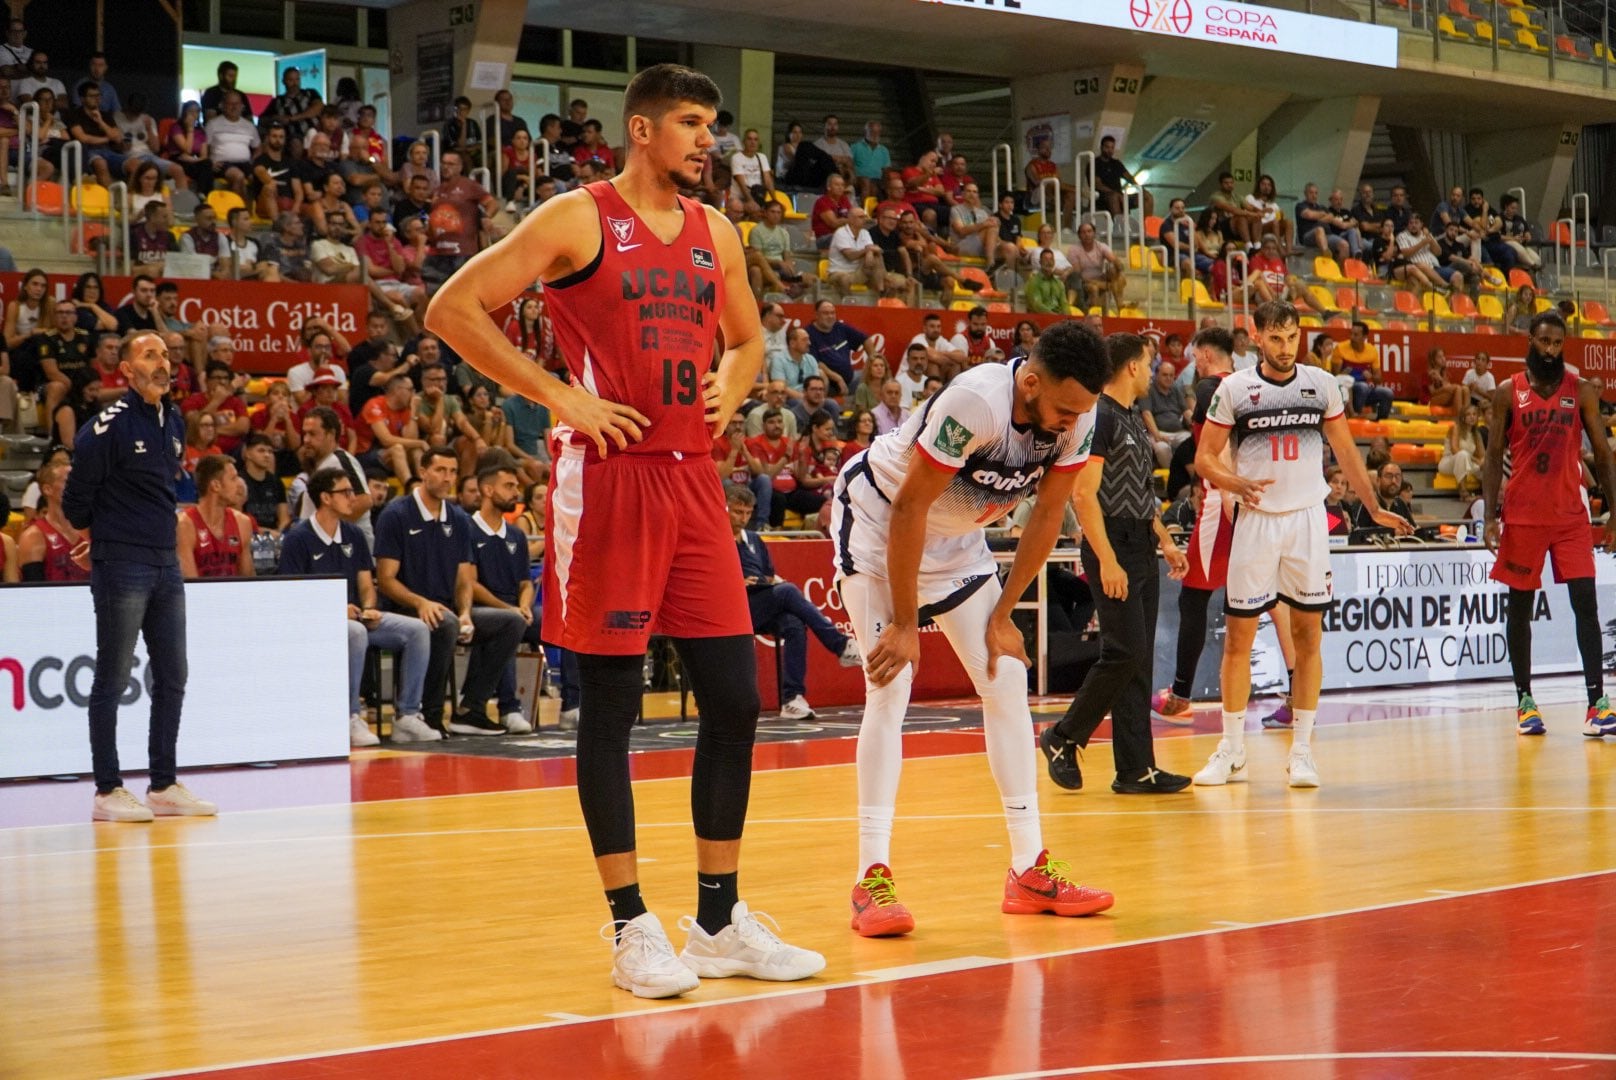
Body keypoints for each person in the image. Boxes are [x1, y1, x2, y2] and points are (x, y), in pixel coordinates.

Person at [423, 64, 824, 998]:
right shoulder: (578, 217)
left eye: (711, 124)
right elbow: (452, 309)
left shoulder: (717, 231)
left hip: (694, 483)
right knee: (612, 705)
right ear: (641, 131)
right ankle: (629, 926)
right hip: (607, 480)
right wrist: (560, 394)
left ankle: (719, 920)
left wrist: (739, 370)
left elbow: (749, 335)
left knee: (735, 700)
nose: (706, 140)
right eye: (690, 122)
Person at [832, 320, 1114, 938]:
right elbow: (909, 507)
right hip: (883, 522)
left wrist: (1005, 613)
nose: (1072, 423)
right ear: (1032, 382)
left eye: (1081, 412)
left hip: (957, 541)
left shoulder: (1078, 416)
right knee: (891, 683)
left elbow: (1046, 513)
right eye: (1064, 409)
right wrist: (906, 624)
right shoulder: (976, 401)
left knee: (1006, 676)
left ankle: (1028, 869)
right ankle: (870, 878)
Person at [1191, 302, 1411, 791]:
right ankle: (1232, 750)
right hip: (1257, 521)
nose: (1285, 347)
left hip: (1308, 521)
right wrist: (1235, 481)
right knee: (1239, 638)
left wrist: (1373, 508)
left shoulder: (1321, 384)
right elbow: (1204, 459)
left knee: (1309, 636)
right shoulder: (1235, 390)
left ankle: (1304, 751)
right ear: (1257, 337)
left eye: (1292, 337)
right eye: (1275, 338)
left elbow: (1347, 451)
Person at [61, 331, 217, 822]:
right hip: (122, 563)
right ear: (126, 371)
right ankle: (107, 790)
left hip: (165, 563)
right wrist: (102, 539)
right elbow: (74, 501)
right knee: (112, 675)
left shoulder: (172, 418)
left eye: (166, 355)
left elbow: (158, 489)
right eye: (149, 355)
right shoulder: (105, 428)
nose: (162, 362)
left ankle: (164, 784)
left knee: (174, 674)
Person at [1041, 333, 1190, 795]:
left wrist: (1164, 539)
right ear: (1129, 367)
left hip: (1138, 541)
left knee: (1138, 662)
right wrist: (1105, 559)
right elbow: (1084, 494)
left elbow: (1140, 493)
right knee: (1121, 652)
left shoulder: (1129, 418)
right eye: (1148, 364)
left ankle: (1135, 768)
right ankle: (1063, 737)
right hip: (1112, 543)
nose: (1151, 371)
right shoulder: (1099, 416)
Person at [1483, 311, 1616, 737]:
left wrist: (1614, 509)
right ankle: (1525, 700)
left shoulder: (1581, 392)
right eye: (1544, 342)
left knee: (1586, 606)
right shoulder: (1507, 393)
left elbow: (1602, 451)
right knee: (1519, 610)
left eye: (1558, 343)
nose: (1551, 350)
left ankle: (1597, 703)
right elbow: (1491, 457)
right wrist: (1489, 515)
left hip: (1570, 518)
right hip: (1521, 517)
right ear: (1530, 340)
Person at [726, 484, 860, 720]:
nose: (743, 518)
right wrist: (735, 581)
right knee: (787, 590)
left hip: (759, 600)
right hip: (732, 606)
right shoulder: (715, 541)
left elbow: (768, 575)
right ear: (725, 508)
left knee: (794, 624)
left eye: (747, 513)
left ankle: (791, 699)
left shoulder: (755, 540)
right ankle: (840, 645)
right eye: (737, 512)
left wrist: (759, 581)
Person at [468, 461, 537, 735]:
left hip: (514, 608)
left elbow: (526, 583)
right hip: (481, 607)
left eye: (517, 486)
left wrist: (523, 605)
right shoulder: (468, 528)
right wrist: (511, 610)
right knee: (509, 624)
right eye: (508, 486)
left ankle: (572, 704)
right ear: (487, 489)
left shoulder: (517, 535)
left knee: (565, 623)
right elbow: (470, 584)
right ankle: (509, 708)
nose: (515, 492)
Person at [176, 454, 255, 578]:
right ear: (216, 485)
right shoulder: (185, 525)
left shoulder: (242, 522)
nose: (239, 485)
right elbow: (190, 583)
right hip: (199, 596)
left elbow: (249, 580)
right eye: (233, 478)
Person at [17, 458, 89, 582]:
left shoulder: (95, 528)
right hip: (54, 600)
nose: (78, 487)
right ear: (47, 489)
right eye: (69, 481)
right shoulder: (33, 536)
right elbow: (33, 593)